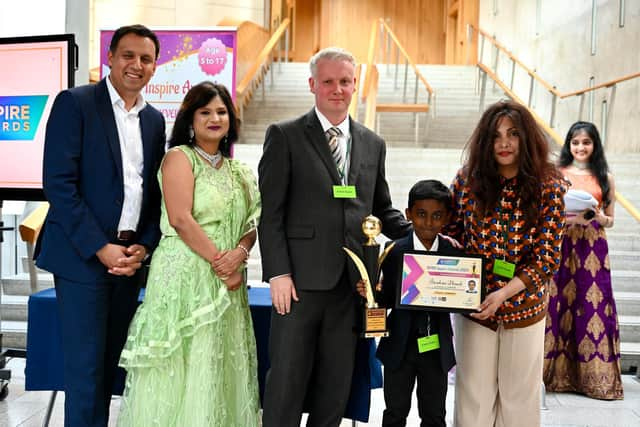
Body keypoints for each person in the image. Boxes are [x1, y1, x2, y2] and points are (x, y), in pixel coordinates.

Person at [258, 46, 411, 427]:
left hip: (351, 287)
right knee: (287, 384)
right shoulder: (285, 136)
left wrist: (426, 238)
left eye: (345, 81)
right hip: (298, 287)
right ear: (313, 84)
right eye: (328, 81)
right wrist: (278, 273)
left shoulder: (372, 143)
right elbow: (271, 214)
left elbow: (382, 208)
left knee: (335, 386)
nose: (337, 89)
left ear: (355, 84)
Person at [34, 25, 165, 426]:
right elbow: (59, 184)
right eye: (128, 55)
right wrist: (99, 247)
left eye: (145, 59)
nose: (136, 65)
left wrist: (143, 245)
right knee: (85, 374)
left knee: (110, 370)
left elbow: (153, 193)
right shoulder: (76, 104)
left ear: (154, 66)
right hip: (82, 259)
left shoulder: (155, 120)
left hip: (128, 261)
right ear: (110, 57)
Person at [116, 82, 261, 426]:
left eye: (222, 112)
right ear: (190, 119)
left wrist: (239, 253)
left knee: (216, 364)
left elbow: (253, 222)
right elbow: (180, 218)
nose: (215, 118)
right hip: (185, 274)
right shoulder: (179, 158)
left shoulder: (240, 171)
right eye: (205, 112)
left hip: (227, 281)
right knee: (184, 365)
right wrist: (220, 262)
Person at [447, 100, 566, 427]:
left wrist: (503, 294)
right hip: (475, 305)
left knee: (519, 398)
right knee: (473, 395)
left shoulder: (549, 186)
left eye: (513, 134)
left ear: (526, 138)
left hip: (524, 306)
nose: (504, 142)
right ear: (485, 140)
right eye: (496, 135)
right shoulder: (466, 181)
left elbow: (547, 256)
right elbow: (452, 235)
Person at [357, 179, 457, 427]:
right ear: (408, 214)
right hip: (399, 347)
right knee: (395, 411)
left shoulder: (453, 254)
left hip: (436, 348)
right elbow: (387, 297)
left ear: (446, 219)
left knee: (434, 414)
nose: (429, 222)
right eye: (421, 214)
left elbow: (462, 296)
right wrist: (371, 293)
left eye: (437, 216)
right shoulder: (393, 251)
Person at [543, 121, 623, 400]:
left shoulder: (605, 176)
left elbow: (610, 219)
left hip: (592, 246)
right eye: (575, 142)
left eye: (586, 143)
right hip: (561, 240)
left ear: (594, 145)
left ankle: (592, 379)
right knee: (556, 302)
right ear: (569, 145)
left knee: (592, 307)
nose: (580, 147)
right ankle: (551, 375)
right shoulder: (556, 173)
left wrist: (599, 217)